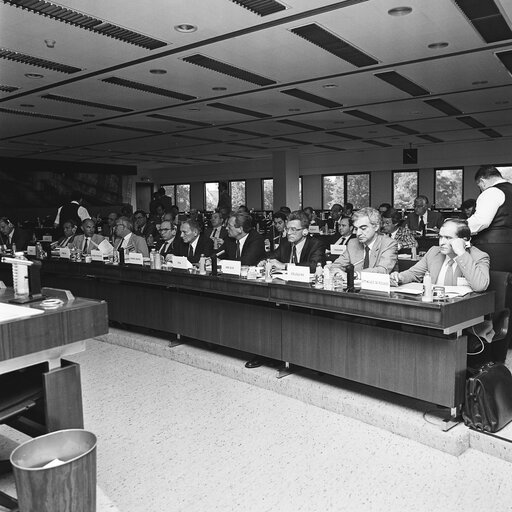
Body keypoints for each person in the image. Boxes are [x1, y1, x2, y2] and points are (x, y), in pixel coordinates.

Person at [390, 218, 492, 368]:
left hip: (461, 315)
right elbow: (414, 273)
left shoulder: (479, 256)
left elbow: (480, 285)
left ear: (464, 240)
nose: (442, 242)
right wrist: (399, 277)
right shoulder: (433, 252)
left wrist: (461, 253)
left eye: (448, 238)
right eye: (440, 236)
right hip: (433, 311)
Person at [467, 165, 512, 271]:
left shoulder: (492, 192)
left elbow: (481, 221)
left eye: (480, 187)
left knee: (491, 284)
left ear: (482, 182)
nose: (481, 190)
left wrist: (458, 228)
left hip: (493, 248)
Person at [332, 207, 397, 275]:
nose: (358, 233)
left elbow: (382, 270)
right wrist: (330, 269)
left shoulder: (388, 244)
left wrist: (356, 274)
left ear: (376, 227)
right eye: (356, 229)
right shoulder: (353, 243)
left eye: (363, 228)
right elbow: (337, 265)